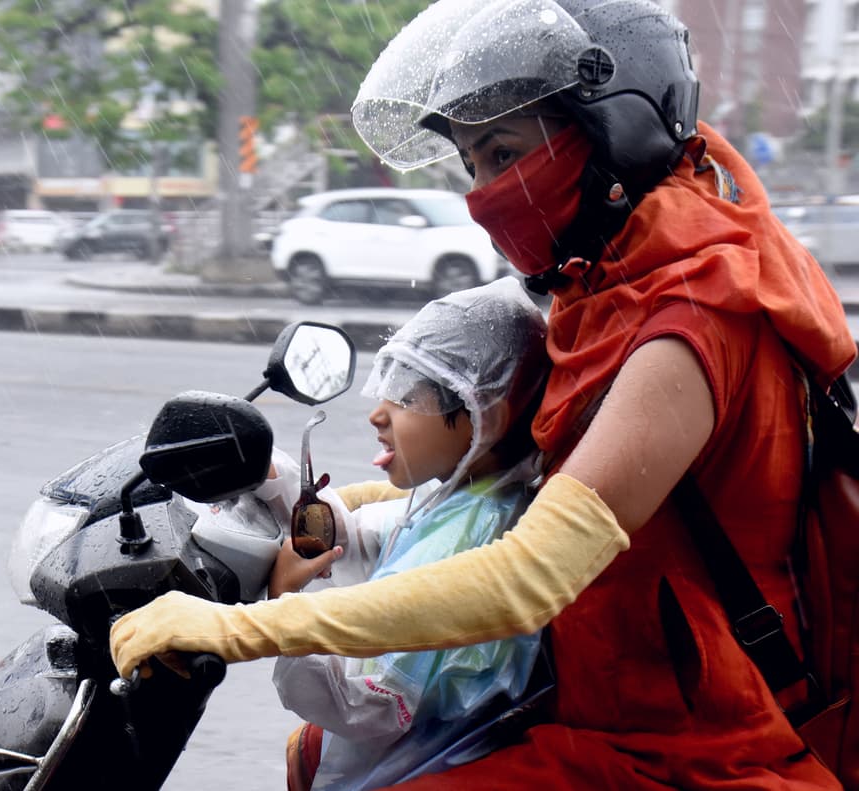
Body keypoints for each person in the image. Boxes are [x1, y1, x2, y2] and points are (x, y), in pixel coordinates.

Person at [110, 1, 854, 787]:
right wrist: (302, 494)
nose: (487, 193)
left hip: (691, 741)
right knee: (317, 760)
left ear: (614, 134)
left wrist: (244, 628)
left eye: (504, 152)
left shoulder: (691, 319)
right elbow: (514, 483)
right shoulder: (606, 283)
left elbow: (527, 574)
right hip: (595, 686)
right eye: (472, 164)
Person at [255, 277, 550, 791]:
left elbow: (372, 706)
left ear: (486, 414)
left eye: (408, 396)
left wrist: (286, 609)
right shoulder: (467, 499)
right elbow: (357, 536)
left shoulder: (470, 544)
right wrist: (263, 472)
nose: (377, 413)